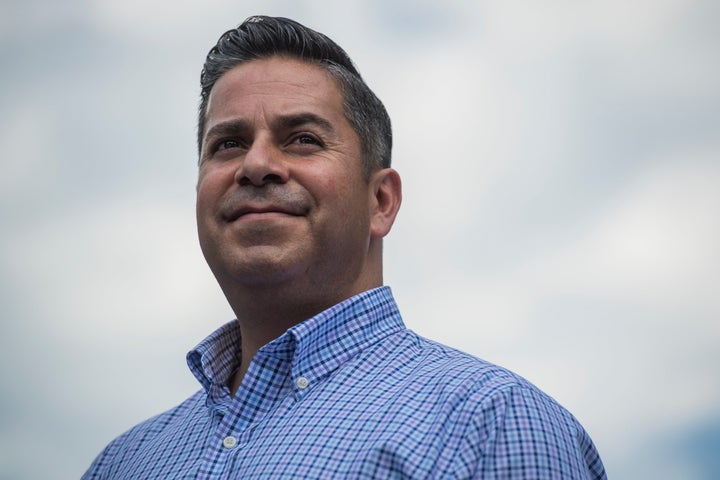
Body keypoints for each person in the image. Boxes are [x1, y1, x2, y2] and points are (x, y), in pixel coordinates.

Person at [83, 15, 606, 479]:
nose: (256, 164)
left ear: (381, 201)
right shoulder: (123, 463)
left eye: (302, 139)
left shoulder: (495, 429)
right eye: (228, 144)